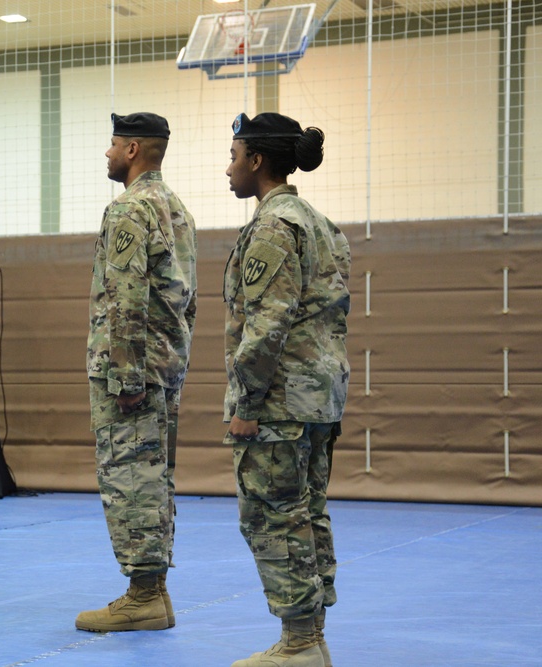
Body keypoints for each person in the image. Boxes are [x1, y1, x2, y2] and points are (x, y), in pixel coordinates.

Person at [222, 112, 351, 667]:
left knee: (273, 515)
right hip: (320, 395)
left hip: (279, 401)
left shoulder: (274, 226)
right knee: (308, 512)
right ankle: (311, 639)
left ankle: (299, 642)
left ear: (256, 160)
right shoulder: (320, 222)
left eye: (233, 156)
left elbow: (267, 324)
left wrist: (247, 403)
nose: (227, 168)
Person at [75, 112, 197, 632]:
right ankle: (157, 591)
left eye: (112, 145)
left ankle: (143, 594)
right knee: (155, 477)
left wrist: (125, 377)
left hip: (132, 371)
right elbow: (186, 299)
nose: (107, 154)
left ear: (132, 151)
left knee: (130, 479)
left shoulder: (129, 209)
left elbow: (127, 298)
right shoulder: (177, 209)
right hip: (164, 365)